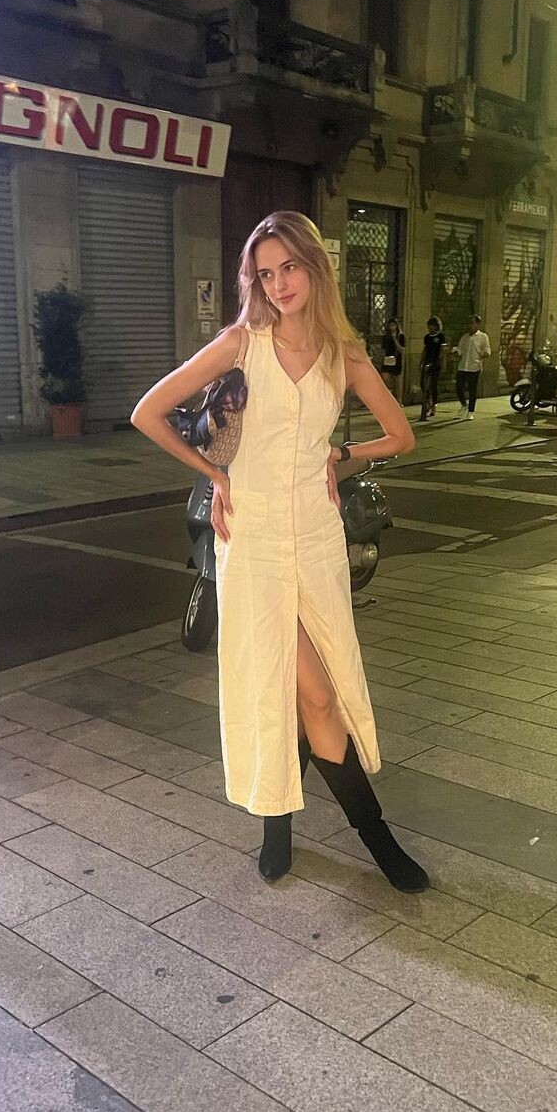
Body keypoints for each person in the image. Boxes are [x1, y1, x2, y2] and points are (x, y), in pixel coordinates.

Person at [131, 211, 428, 893]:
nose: (279, 283)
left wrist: (342, 454)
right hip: (254, 538)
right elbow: (149, 412)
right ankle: (376, 841)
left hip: (318, 536)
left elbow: (401, 436)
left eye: (289, 267)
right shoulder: (242, 343)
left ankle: (280, 822)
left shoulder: (345, 355)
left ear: (315, 267)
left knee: (311, 691)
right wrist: (215, 475)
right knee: (306, 691)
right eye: (265, 274)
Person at [452, 314, 491, 419]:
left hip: (474, 367)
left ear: (478, 324)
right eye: (469, 323)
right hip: (463, 366)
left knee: (472, 390)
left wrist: (482, 355)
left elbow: (488, 351)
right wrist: (452, 352)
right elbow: (460, 351)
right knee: (459, 387)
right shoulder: (464, 337)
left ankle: (471, 411)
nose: (470, 325)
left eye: (472, 323)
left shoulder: (483, 337)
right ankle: (464, 404)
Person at [419, 316, 446, 420]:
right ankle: (427, 400)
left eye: (432, 326)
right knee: (423, 383)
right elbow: (425, 350)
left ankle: (434, 404)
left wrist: (441, 361)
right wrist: (421, 362)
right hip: (427, 361)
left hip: (436, 362)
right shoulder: (427, 337)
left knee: (433, 383)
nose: (430, 328)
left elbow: (443, 350)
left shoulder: (440, 336)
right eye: (429, 326)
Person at [379, 317, 406, 400]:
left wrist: (395, 339)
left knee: (397, 381)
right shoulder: (386, 337)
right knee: (385, 378)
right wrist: (382, 359)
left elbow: (402, 350)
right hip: (387, 359)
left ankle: (399, 401)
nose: (392, 327)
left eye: (394, 325)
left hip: (396, 360)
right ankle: (388, 395)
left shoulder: (401, 336)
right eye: (390, 325)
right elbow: (383, 349)